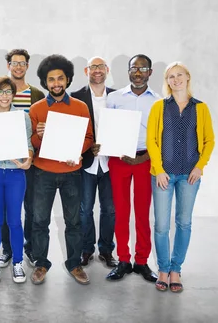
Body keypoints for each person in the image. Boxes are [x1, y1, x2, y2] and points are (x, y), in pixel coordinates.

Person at [147, 62, 215, 293]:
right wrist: (159, 168)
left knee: (184, 223)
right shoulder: (159, 107)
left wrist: (199, 167)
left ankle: (176, 269)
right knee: (161, 226)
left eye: (179, 75)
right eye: (170, 77)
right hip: (163, 174)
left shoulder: (201, 108)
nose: (175, 80)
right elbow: (152, 141)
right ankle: (163, 269)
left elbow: (209, 141)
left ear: (188, 77)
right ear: (167, 82)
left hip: (189, 175)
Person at [29, 55, 94, 285]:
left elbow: (88, 137)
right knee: (39, 221)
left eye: (60, 78)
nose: (56, 83)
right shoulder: (36, 109)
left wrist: (78, 151)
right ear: (45, 82)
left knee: (74, 221)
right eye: (51, 79)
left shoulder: (80, 107)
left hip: (71, 172)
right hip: (43, 172)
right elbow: (32, 145)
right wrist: (37, 136)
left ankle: (74, 264)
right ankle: (40, 264)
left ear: (67, 80)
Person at [105, 54, 160, 283]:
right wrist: (114, 149)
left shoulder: (159, 100)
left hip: (146, 160)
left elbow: (161, 134)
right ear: (128, 71)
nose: (138, 72)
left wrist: (145, 157)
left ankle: (142, 261)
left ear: (150, 72)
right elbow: (108, 129)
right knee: (121, 211)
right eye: (134, 68)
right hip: (119, 159)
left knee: (142, 212)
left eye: (143, 68)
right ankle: (124, 260)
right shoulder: (115, 98)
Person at [0, 49, 44, 267]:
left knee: (29, 206)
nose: (18, 66)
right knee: (4, 210)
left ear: (27, 66)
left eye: (22, 63)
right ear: (8, 66)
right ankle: (7, 250)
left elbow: (37, 126)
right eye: (14, 63)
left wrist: (30, 154)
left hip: (29, 159)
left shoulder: (37, 94)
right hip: (2, 160)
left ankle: (27, 248)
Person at [0, 76, 34, 284]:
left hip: (15, 174)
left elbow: (28, 145)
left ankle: (18, 263)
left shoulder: (22, 117)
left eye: (8, 92)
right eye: (0, 92)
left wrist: (28, 161)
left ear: (13, 95)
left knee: (14, 220)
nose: (4, 96)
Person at [70, 56, 118, 268]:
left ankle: (106, 250)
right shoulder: (76, 97)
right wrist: (87, 147)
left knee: (109, 209)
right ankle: (86, 249)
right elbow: (72, 130)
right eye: (92, 67)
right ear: (86, 71)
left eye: (100, 66)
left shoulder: (118, 96)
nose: (97, 70)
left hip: (112, 162)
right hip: (87, 162)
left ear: (106, 70)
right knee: (85, 209)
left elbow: (123, 128)